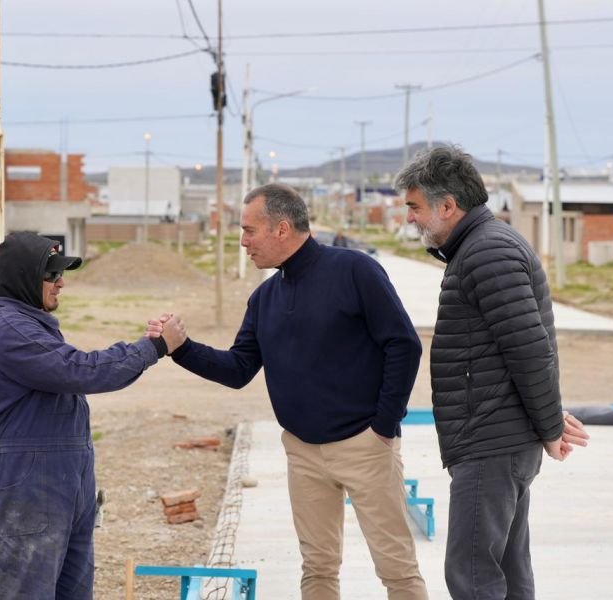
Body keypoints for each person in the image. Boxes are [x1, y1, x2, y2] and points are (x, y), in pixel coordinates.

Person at [157, 183, 430, 600]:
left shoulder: (355, 271)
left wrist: (384, 425)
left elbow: (403, 344)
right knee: (318, 568)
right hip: (303, 452)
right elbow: (238, 369)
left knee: (396, 568)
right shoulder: (264, 298)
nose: (243, 241)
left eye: (249, 231)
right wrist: (182, 349)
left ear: (281, 229)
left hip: (365, 444)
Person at [394, 146, 589, 600]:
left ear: (447, 206)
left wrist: (548, 424)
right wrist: (543, 421)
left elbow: (529, 349)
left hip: (492, 441)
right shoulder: (482, 246)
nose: (410, 219)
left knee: (472, 574)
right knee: (506, 570)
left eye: (414, 207)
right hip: (501, 437)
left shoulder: (487, 253)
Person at [0, 231, 185, 599]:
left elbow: (76, 368)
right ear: (23, 277)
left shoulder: (33, 327)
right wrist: (154, 347)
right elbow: (84, 370)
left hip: (60, 485)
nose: (60, 282)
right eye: (50, 274)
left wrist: (146, 348)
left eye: (60, 274)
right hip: (27, 486)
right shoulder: (11, 331)